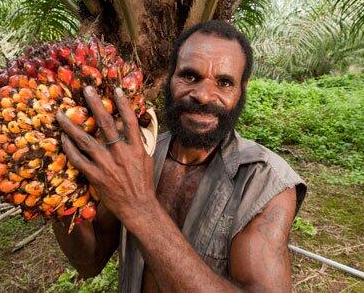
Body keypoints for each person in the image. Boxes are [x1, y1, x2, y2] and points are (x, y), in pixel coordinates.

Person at [53, 20, 307, 292]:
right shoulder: (140, 156)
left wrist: (140, 207)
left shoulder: (266, 182)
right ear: (169, 79)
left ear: (241, 92)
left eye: (224, 83)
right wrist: (57, 186)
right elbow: (89, 263)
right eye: (190, 76)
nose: (203, 95)